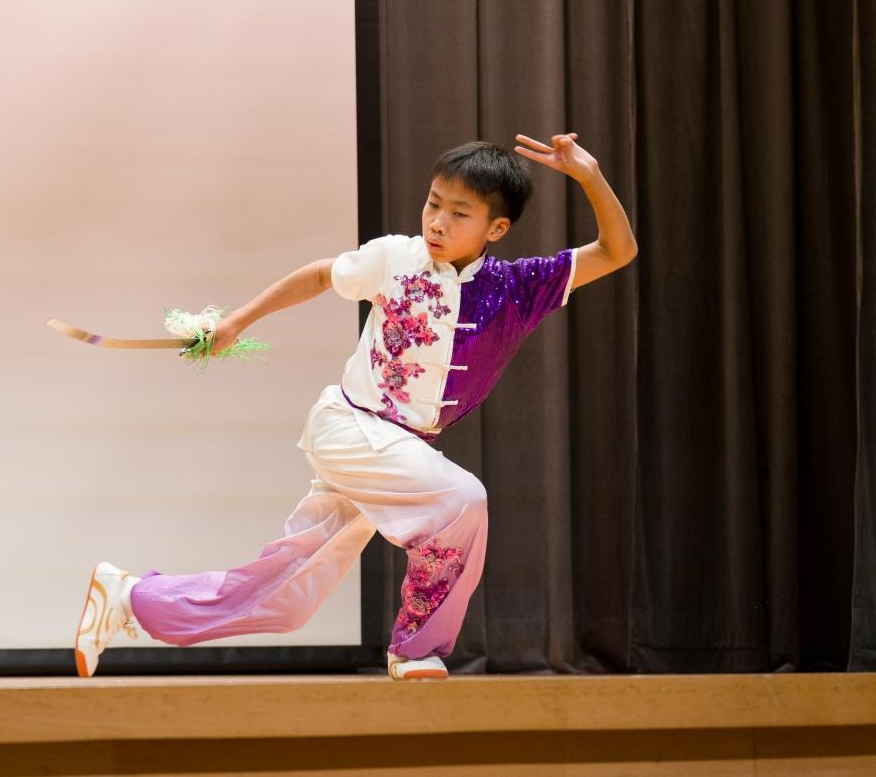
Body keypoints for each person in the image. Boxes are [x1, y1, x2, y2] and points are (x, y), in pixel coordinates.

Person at [74, 133, 637, 679]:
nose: (437, 222)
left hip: (398, 452)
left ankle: (128, 596)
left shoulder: (520, 287)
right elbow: (321, 274)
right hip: (350, 427)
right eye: (433, 203)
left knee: (288, 600)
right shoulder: (395, 258)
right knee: (463, 499)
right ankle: (416, 649)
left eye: (459, 213)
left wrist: (589, 176)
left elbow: (618, 251)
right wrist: (237, 321)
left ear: (497, 228)